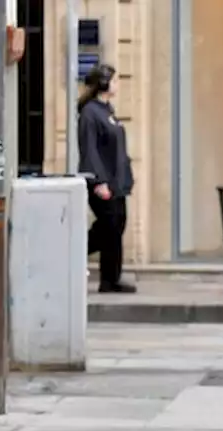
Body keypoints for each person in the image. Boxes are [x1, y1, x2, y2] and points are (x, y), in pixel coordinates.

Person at [78, 63, 135, 293]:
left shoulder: (107, 110)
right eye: (114, 80)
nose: (117, 84)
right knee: (109, 227)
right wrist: (98, 181)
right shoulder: (90, 113)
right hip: (102, 182)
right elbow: (89, 149)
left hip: (116, 182)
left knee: (116, 226)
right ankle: (105, 276)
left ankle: (110, 277)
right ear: (103, 83)